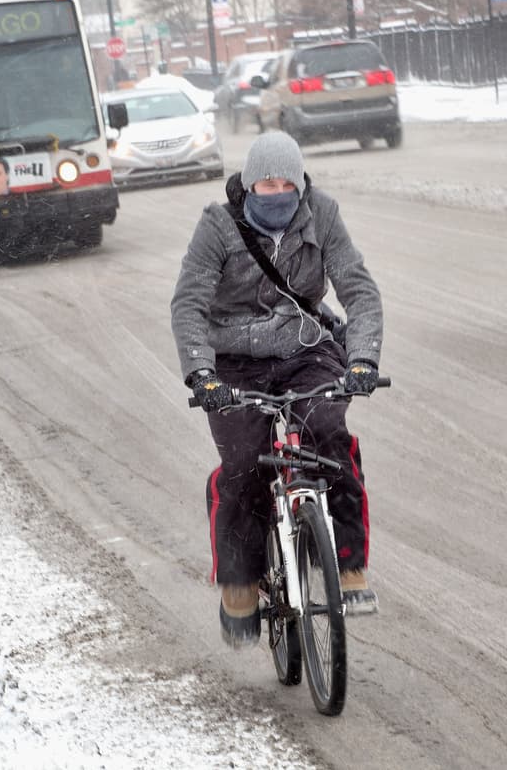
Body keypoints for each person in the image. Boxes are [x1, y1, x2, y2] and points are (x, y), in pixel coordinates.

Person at [170, 131, 384, 649]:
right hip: (234, 361)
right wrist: (203, 375)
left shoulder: (322, 214)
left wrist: (362, 361)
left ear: (301, 182)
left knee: (329, 435)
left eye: (288, 182)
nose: (278, 191)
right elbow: (189, 305)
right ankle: (240, 582)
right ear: (249, 184)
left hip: (304, 349)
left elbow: (359, 289)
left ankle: (349, 568)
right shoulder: (217, 226)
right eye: (267, 182)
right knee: (245, 462)